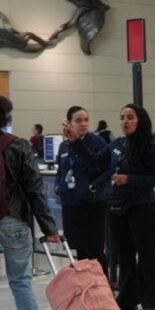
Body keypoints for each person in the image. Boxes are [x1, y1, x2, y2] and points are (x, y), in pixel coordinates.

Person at [77, 104, 155, 310]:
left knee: (146, 253)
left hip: (142, 206)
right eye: (122, 117)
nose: (125, 121)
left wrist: (130, 180)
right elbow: (94, 161)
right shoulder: (118, 144)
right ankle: (127, 299)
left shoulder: (152, 148)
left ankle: (153, 301)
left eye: (130, 117)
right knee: (124, 254)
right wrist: (75, 143)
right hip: (118, 205)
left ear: (140, 121)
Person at [0, 95, 61, 310]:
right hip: (13, 219)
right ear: (7, 116)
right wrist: (49, 228)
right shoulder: (19, 146)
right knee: (21, 282)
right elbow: (35, 190)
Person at [57, 106, 109, 273]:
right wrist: (59, 186)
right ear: (69, 123)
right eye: (78, 120)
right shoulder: (64, 146)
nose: (83, 124)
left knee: (95, 250)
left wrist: (94, 187)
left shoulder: (97, 142)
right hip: (71, 202)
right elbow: (61, 170)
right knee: (80, 250)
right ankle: (89, 291)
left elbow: (106, 169)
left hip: (92, 202)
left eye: (86, 120)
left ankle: (104, 291)